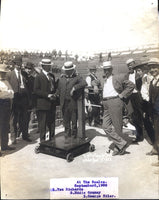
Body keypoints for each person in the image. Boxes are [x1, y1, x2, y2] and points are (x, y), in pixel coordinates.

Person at [101, 61, 135, 156]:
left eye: (108, 70)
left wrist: (122, 95)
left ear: (111, 70)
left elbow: (131, 85)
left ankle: (118, 147)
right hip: (106, 104)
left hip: (115, 102)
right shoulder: (104, 79)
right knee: (105, 126)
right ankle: (121, 143)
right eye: (105, 70)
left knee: (117, 126)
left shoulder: (117, 77)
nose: (106, 71)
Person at [56, 61, 87, 141]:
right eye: (66, 70)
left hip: (73, 102)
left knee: (73, 120)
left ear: (72, 70)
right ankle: (67, 135)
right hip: (64, 103)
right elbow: (58, 90)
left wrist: (75, 88)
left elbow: (84, 83)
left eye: (69, 70)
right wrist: (55, 94)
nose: (68, 71)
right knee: (66, 121)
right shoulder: (61, 79)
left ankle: (73, 136)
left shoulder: (77, 77)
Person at [6, 55, 32, 143]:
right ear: (14, 64)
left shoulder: (24, 74)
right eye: (17, 64)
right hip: (14, 99)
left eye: (20, 63)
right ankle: (13, 138)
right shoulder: (9, 74)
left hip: (23, 99)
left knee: (24, 118)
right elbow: (7, 87)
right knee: (13, 119)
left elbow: (28, 85)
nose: (19, 65)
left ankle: (25, 135)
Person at [34, 59, 57, 142]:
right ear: (43, 66)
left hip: (52, 103)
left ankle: (52, 139)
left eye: (50, 65)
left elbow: (54, 88)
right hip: (42, 104)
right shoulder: (38, 77)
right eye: (48, 65)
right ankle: (43, 141)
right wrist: (47, 95)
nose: (50, 66)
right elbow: (36, 90)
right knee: (42, 124)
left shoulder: (52, 76)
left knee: (52, 123)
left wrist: (55, 94)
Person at [126, 58, 145, 143]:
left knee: (141, 115)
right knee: (133, 116)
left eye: (132, 64)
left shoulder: (139, 73)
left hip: (139, 95)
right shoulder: (127, 75)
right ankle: (139, 135)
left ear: (134, 64)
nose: (131, 66)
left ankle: (142, 134)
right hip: (131, 96)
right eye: (129, 65)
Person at [0, 64, 15, 151]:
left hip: (6, 104)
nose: (3, 75)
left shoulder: (6, 82)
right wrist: (7, 92)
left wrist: (5, 92)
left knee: (5, 126)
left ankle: (4, 145)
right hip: (0, 103)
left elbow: (12, 93)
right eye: (2, 73)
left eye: (4, 73)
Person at [146, 58, 159, 156]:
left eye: (154, 67)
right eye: (150, 68)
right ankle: (155, 149)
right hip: (155, 112)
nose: (152, 70)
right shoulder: (151, 82)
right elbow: (151, 98)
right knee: (156, 131)